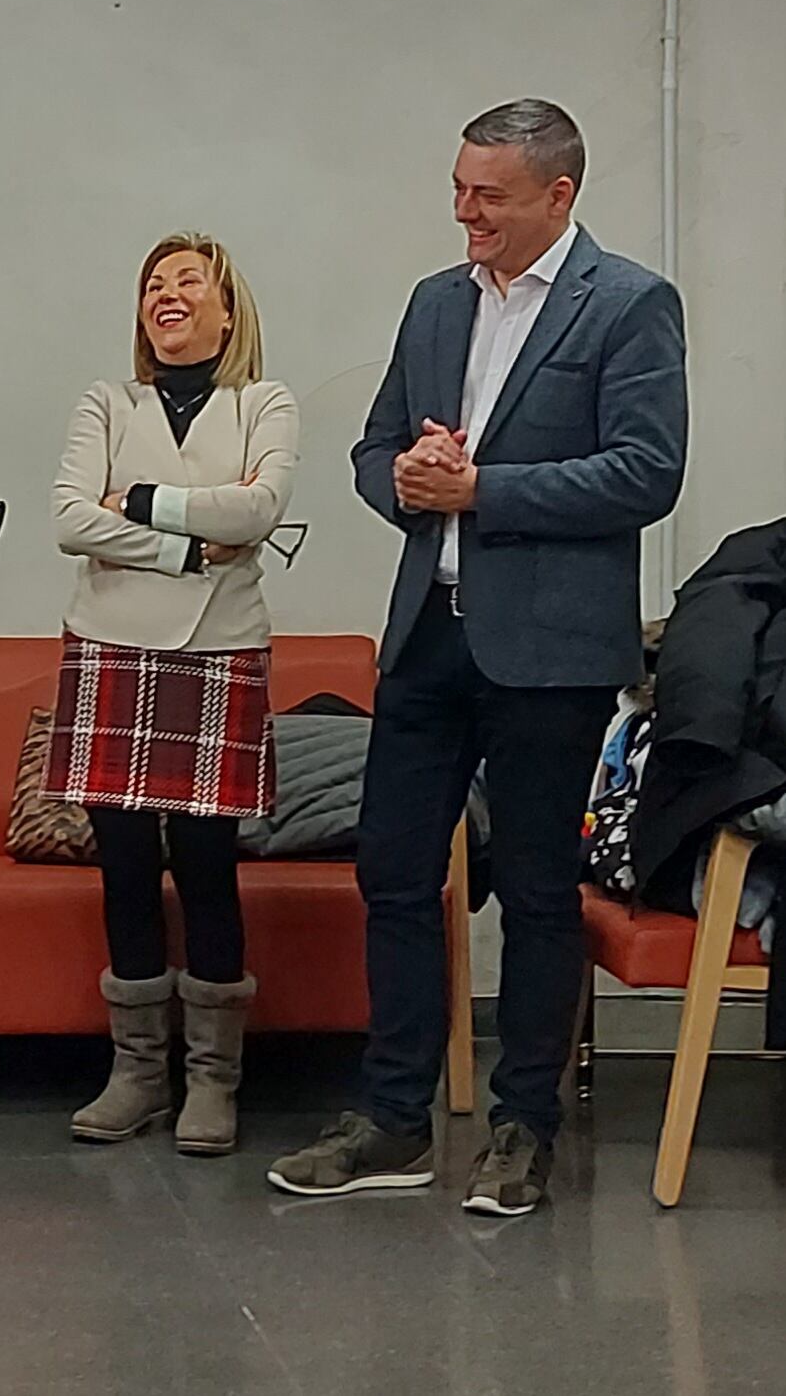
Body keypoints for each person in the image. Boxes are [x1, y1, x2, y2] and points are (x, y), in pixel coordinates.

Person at [270, 100, 687, 1216]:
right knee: (395, 876)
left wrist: (483, 491)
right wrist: (406, 477)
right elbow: (374, 447)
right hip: (428, 635)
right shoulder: (435, 304)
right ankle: (396, 1119)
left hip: (550, 652)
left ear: (559, 195)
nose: (465, 213)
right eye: (459, 188)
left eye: (488, 194)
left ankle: (523, 1128)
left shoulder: (632, 304)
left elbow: (648, 472)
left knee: (542, 892)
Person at [45, 234, 298, 1157]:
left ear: (228, 311)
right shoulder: (105, 401)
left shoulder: (263, 401)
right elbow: (71, 517)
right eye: (155, 282)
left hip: (221, 646)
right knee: (121, 858)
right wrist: (190, 542)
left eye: (191, 280)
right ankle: (138, 1072)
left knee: (205, 860)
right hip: (111, 639)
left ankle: (214, 1080)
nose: (169, 293)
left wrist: (138, 501)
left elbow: (260, 510)